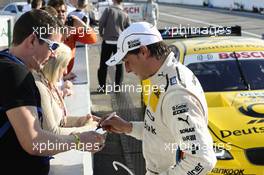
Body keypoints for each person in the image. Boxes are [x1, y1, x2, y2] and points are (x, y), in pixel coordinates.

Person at [101, 22, 217, 175]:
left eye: (127, 61)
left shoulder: (176, 94)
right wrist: (128, 127)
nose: (127, 69)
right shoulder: (164, 77)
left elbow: (203, 160)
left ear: (143, 51)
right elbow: (161, 131)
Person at [0, 10, 104, 175]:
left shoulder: (7, 64)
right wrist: (79, 140)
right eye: (53, 46)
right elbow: (34, 141)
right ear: (33, 40)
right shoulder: (15, 73)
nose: (54, 54)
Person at [33, 43, 99, 135]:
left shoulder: (49, 82)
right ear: (55, 66)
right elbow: (53, 132)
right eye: (64, 66)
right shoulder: (40, 87)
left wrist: (80, 120)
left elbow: (60, 121)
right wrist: (88, 128)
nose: (66, 71)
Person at [48, 0, 97, 80]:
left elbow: (93, 39)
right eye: (57, 11)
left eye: (63, 11)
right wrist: (62, 78)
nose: (61, 14)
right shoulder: (45, 30)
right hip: (52, 77)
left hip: (65, 76)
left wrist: (83, 26)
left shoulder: (71, 30)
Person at [98, 0, 130, 93]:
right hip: (119, 43)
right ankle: (117, 87)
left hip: (107, 41)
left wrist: (101, 33)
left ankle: (102, 88)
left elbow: (101, 22)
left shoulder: (108, 10)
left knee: (103, 65)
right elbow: (129, 28)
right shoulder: (125, 13)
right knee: (119, 66)